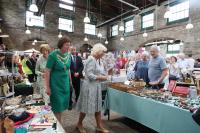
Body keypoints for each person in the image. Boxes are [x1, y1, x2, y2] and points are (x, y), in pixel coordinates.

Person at [76, 43, 109, 133]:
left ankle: (99, 126)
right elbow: (89, 75)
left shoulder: (98, 60)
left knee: (98, 106)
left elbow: (97, 72)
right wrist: (101, 77)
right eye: (103, 52)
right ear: (98, 51)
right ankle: (79, 124)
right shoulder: (91, 59)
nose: (103, 54)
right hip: (89, 87)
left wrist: (103, 75)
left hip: (96, 86)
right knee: (85, 107)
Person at [45, 37, 72, 123]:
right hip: (55, 84)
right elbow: (47, 71)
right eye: (67, 45)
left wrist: (70, 81)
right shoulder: (52, 55)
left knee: (61, 107)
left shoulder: (68, 55)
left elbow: (68, 69)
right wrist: (47, 87)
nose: (68, 47)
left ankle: (58, 126)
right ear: (61, 45)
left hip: (65, 84)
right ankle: (58, 128)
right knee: (57, 107)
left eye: (69, 45)